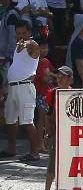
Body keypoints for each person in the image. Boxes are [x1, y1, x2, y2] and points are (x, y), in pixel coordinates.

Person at [4, 19, 42, 161]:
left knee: (27, 121)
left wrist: (26, 42)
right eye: (18, 33)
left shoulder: (32, 45)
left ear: (29, 33)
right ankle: (11, 149)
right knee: (10, 120)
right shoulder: (17, 47)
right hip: (13, 87)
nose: (20, 36)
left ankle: (35, 152)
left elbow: (32, 45)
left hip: (25, 87)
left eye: (23, 33)